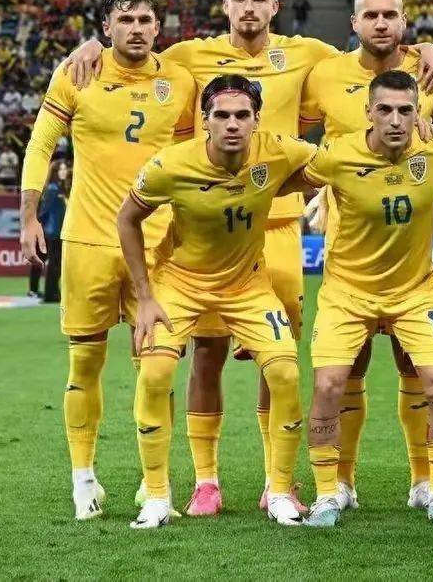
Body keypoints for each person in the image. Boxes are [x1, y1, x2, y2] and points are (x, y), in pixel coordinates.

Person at [61, 0, 433, 516]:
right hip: (207, 228)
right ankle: (206, 480)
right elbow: (137, 57)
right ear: (225, 5)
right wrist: (91, 47)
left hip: (278, 223)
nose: (249, 8)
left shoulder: (310, 55)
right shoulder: (189, 55)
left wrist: (425, 49)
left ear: (274, 5)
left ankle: (276, 481)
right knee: (207, 353)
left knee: (279, 358)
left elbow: (375, 57)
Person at [19, 0, 197, 521]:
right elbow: (41, 143)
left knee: (158, 367)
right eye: (125, 19)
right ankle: (84, 479)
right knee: (85, 361)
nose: (136, 28)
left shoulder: (180, 80)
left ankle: (153, 482)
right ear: (106, 28)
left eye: (145, 19)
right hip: (88, 242)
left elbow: (192, 157)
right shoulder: (77, 72)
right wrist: (28, 215)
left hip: (158, 245)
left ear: (158, 27)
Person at [286, 70, 433, 528]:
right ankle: (329, 493)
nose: (395, 120)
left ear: (418, 114)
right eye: (385, 110)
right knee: (328, 386)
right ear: (368, 113)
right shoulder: (337, 155)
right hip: (346, 293)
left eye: (405, 110)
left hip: (416, 293)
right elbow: (289, 179)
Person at [118, 76, 315, 529]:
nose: (232, 124)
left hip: (248, 284)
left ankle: (280, 491)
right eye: (221, 116)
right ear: (204, 121)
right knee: (155, 372)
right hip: (180, 282)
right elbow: (127, 218)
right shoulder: (171, 164)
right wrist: (144, 297)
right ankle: (157, 496)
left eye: (242, 115)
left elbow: (339, 160)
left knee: (285, 371)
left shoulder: (276, 150)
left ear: (256, 120)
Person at [298, 0, 433, 512]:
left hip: (408, 252)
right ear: (354, 23)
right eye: (372, 15)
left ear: (405, 22)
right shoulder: (324, 74)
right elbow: (293, 134)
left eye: (391, 14)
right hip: (349, 248)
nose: (381, 23)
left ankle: (425, 482)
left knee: (416, 368)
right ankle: (339, 482)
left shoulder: (431, 71)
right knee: (349, 368)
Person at [37, 159, 70, 303]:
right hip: (54, 231)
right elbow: (44, 211)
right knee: (54, 264)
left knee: (58, 264)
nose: (64, 171)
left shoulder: (60, 189)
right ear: (55, 172)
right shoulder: (52, 189)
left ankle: (54, 292)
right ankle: (50, 294)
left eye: (65, 169)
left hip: (61, 230)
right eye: (61, 169)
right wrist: (41, 228)